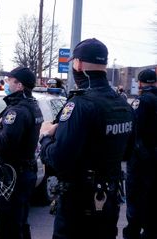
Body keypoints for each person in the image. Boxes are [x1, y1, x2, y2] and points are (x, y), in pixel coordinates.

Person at [39, 38, 135, 239]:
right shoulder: (122, 103)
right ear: (104, 65)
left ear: (78, 64)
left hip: (79, 205)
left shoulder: (80, 104)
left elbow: (59, 159)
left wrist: (45, 137)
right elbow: (127, 151)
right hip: (108, 200)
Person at [0, 67, 43, 239]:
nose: (6, 84)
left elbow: (6, 143)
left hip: (12, 175)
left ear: (19, 85)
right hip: (24, 171)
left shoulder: (17, 111)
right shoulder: (33, 105)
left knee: (8, 224)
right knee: (20, 221)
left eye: (10, 81)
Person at [123, 69, 157, 239]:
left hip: (141, 161)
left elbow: (132, 129)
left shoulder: (141, 101)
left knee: (136, 203)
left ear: (141, 83)